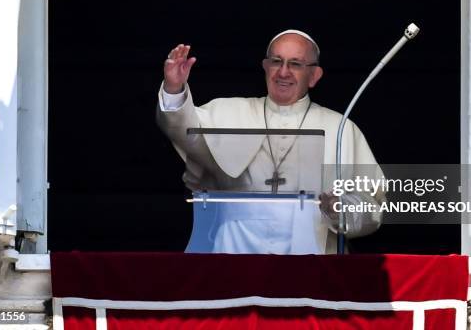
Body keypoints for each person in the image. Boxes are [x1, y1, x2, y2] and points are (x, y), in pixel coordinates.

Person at [156, 30, 385, 254]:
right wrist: (174, 88)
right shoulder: (229, 111)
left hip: (311, 255)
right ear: (265, 67)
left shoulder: (341, 128)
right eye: (276, 61)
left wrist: (342, 208)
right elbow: (185, 133)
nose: (283, 72)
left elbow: (372, 204)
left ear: (314, 76)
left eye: (295, 64)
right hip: (235, 250)